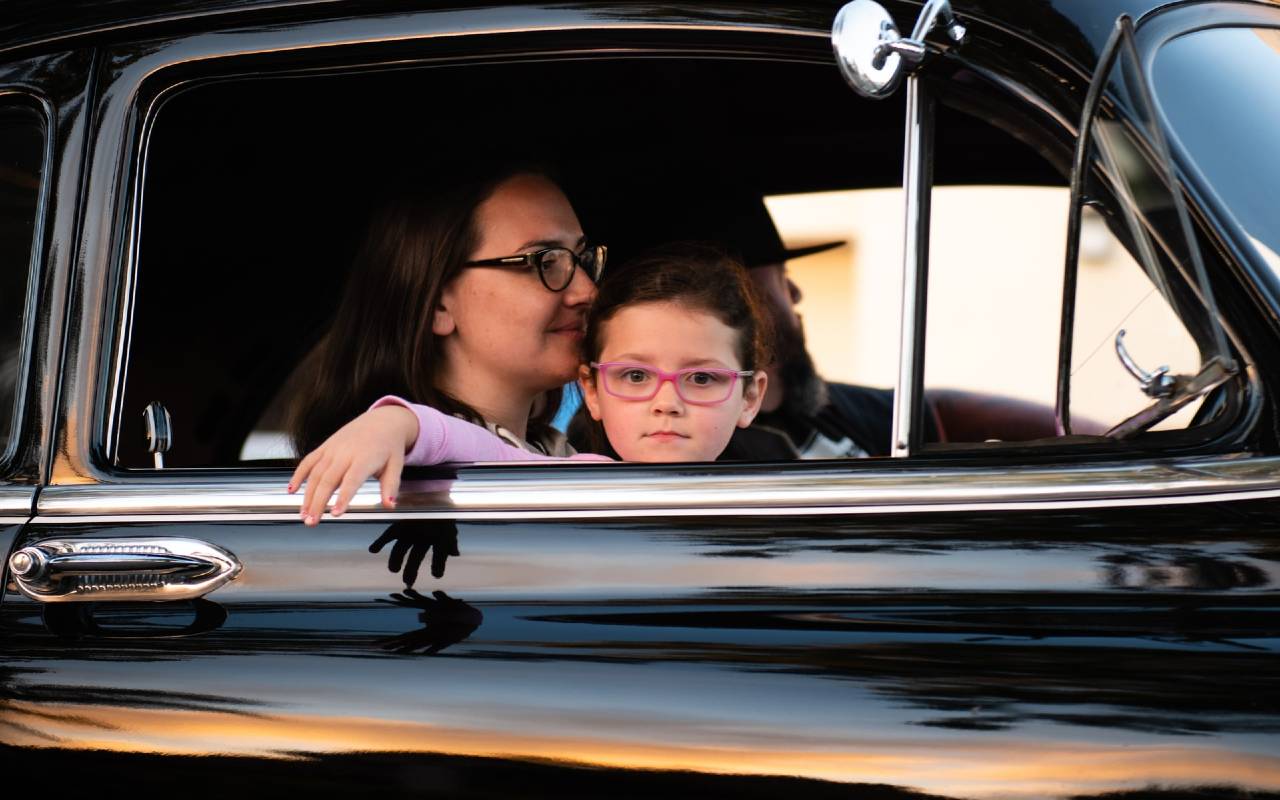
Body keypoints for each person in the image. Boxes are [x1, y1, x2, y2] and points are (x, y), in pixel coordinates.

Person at [289, 244, 771, 522]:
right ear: (592, 391)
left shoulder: (780, 502)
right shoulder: (576, 480)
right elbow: (478, 445)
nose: (667, 402)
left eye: (702, 377)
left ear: (750, 397)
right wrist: (398, 423)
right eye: (636, 375)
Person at [287, 162, 602, 521]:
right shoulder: (387, 487)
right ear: (437, 303)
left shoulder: (562, 453)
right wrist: (399, 424)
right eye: (542, 262)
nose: (587, 291)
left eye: (581, 258)